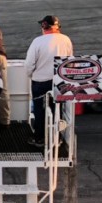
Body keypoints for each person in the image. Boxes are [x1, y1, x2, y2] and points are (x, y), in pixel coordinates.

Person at [24, 15, 73, 147]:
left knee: (39, 110)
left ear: (44, 26)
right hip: (59, 81)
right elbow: (69, 61)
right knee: (57, 109)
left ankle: (39, 138)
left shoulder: (38, 41)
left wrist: (30, 75)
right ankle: (56, 137)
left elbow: (29, 64)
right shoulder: (66, 40)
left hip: (40, 81)